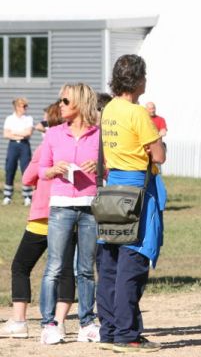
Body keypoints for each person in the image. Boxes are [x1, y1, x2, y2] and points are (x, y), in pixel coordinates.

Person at [96, 54, 166, 352]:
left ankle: (110, 330)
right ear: (137, 79)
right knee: (133, 261)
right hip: (137, 188)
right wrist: (160, 140)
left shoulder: (110, 108)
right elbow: (158, 155)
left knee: (109, 261)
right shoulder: (138, 113)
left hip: (113, 188)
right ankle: (127, 334)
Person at [0, 102, 75, 340]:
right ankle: (60, 322)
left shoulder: (46, 146)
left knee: (21, 266)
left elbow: (29, 177)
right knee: (65, 271)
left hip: (43, 217)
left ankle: (20, 321)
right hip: (69, 214)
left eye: (44, 120)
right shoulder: (72, 146)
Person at [38, 84, 101, 345]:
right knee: (54, 267)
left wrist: (100, 166)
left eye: (65, 99)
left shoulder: (99, 135)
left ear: (80, 103)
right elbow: (42, 171)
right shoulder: (53, 134)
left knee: (86, 269)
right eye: (60, 99)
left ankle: (86, 323)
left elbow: (108, 171)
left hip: (90, 207)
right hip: (61, 206)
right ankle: (49, 324)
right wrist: (54, 170)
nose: (60, 104)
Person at [3, 97, 34, 206]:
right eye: (23, 106)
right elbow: (6, 134)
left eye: (26, 106)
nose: (26, 108)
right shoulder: (9, 119)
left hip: (24, 146)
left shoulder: (28, 118)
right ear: (17, 107)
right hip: (13, 145)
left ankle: (27, 196)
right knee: (10, 169)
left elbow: (28, 133)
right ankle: (7, 196)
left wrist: (14, 132)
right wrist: (21, 133)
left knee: (26, 169)